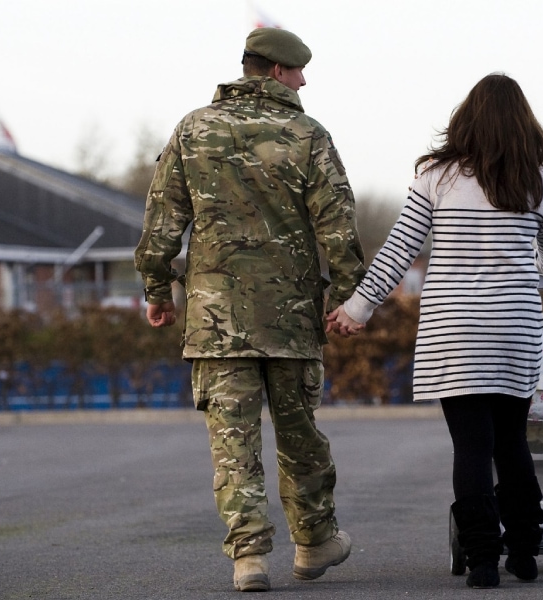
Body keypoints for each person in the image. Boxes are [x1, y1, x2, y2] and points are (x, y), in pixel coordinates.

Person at [135, 27, 366, 593]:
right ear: (273, 71)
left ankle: (249, 559)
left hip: (216, 322)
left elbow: (163, 219)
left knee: (232, 443)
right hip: (290, 318)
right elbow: (337, 223)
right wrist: (346, 298)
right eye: (297, 70)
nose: (304, 80)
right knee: (299, 434)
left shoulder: (193, 129)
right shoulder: (308, 134)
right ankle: (313, 545)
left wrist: (157, 291)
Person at [328, 73, 543, 588]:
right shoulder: (540, 181)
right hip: (514, 328)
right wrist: (537, 266)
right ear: (525, 123)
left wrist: (358, 308)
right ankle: (524, 551)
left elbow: (399, 250)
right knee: (512, 443)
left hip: (455, 333)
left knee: (472, 448)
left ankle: (483, 560)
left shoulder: (436, 177)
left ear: (467, 119)